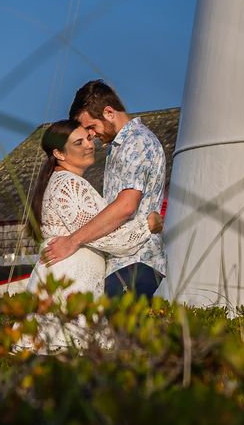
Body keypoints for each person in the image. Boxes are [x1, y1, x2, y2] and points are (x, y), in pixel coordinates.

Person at [19, 118, 157, 348]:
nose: (88, 145)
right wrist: (148, 224)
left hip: (70, 281)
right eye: (78, 142)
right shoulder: (69, 184)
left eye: (88, 138)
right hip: (70, 283)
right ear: (59, 153)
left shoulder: (62, 181)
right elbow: (107, 236)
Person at [43, 80, 168, 298]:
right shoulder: (119, 147)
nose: (91, 136)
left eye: (90, 127)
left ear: (109, 112)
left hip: (135, 261)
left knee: (120, 331)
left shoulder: (136, 143)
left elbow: (126, 207)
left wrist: (72, 242)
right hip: (122, 262)